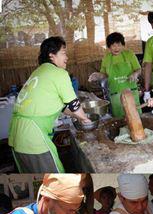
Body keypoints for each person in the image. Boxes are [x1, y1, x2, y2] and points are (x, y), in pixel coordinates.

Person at [8, 36, 91, 173]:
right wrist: (85, 119)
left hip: (17, 136)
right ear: (52, 55)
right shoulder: (58, 73)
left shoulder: (39, 72)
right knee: (56, 179)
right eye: (64, 53)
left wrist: (78, 117)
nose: (67, 57)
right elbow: (74, 105)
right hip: (33, 138)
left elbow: (63, 107)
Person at [88, 32, 141, 118]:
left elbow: (139, 70)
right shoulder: (106, 58)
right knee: (120, 121)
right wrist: (97, 75)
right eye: (113, 45)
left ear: (123, 45)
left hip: (131, 93)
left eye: (119, 45)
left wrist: (135, 74)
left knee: (136, 119)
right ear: (109, 47)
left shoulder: (129, 54)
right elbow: (104, 75)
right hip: (116, 96)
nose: (116, 48)